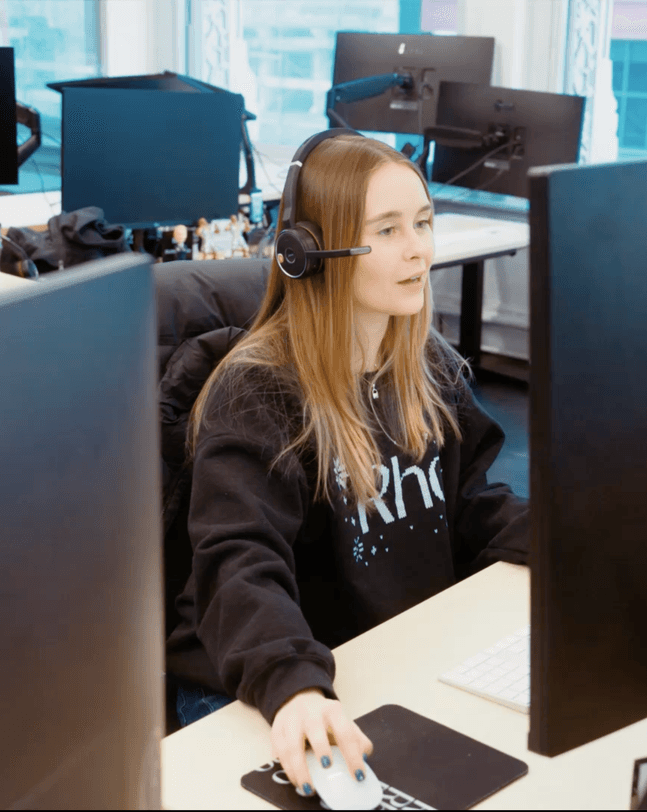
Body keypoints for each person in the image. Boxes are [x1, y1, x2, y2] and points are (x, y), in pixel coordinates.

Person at [165, 131, 527, 798]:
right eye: (387, 230)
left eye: (422, 222)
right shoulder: (259, 394)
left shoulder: (426, 367)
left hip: (382, 658)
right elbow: (239, 564)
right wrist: (293, 686)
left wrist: (587, 543)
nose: (418, 248)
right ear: (310, 254)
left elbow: (474, 504)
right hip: (264, 685)